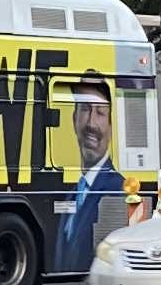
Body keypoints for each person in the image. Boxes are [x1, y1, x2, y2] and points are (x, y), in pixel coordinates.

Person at [53, 72, 123, 273]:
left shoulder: (117, 189)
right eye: (85, 109)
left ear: (111, 125)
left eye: (100, 112)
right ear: (74, 119)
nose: (91, 123)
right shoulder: (73, 192)